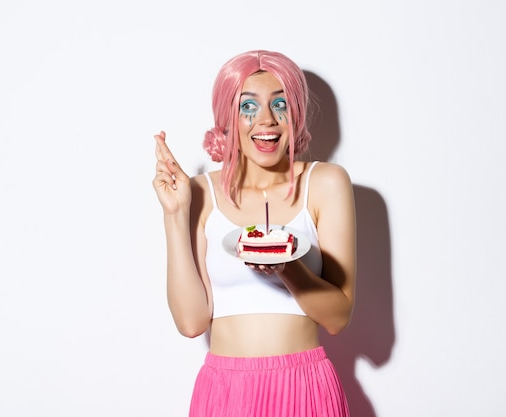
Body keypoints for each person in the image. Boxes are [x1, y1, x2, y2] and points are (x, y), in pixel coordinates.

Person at [152, 50, 356, 417]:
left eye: (281, 104)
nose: (267, 120)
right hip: (225, 392)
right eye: (249, 106)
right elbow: (191, 322)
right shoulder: (199, 192)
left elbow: (338, 318)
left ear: (296, 113)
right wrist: (175, 213)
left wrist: (286, 266)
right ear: (228, 117)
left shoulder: (325, 183)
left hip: (304, 387)